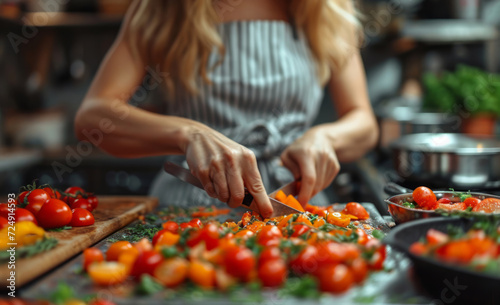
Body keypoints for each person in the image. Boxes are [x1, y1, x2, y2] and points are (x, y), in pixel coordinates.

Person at [74, 0, 378, 218]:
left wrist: (326, 138)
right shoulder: (162, 7)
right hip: (189, 211)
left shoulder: (327, 7)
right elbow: (92, 119)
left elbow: (363, 122)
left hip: (297, 207)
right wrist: (188, 133)